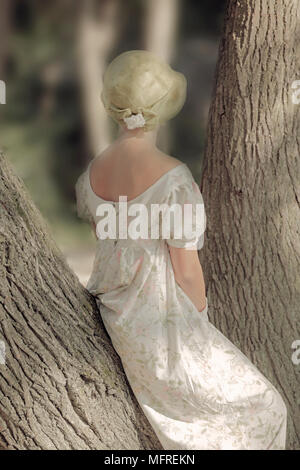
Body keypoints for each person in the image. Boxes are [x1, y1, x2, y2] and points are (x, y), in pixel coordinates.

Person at [75, 50, 287, 450]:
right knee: (267, 406)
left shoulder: (92, 175)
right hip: (163, 324)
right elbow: (186, 269)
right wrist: (201, 319)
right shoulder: (173, 180)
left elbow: (112, 244)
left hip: (116, 316)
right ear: (164, 106)